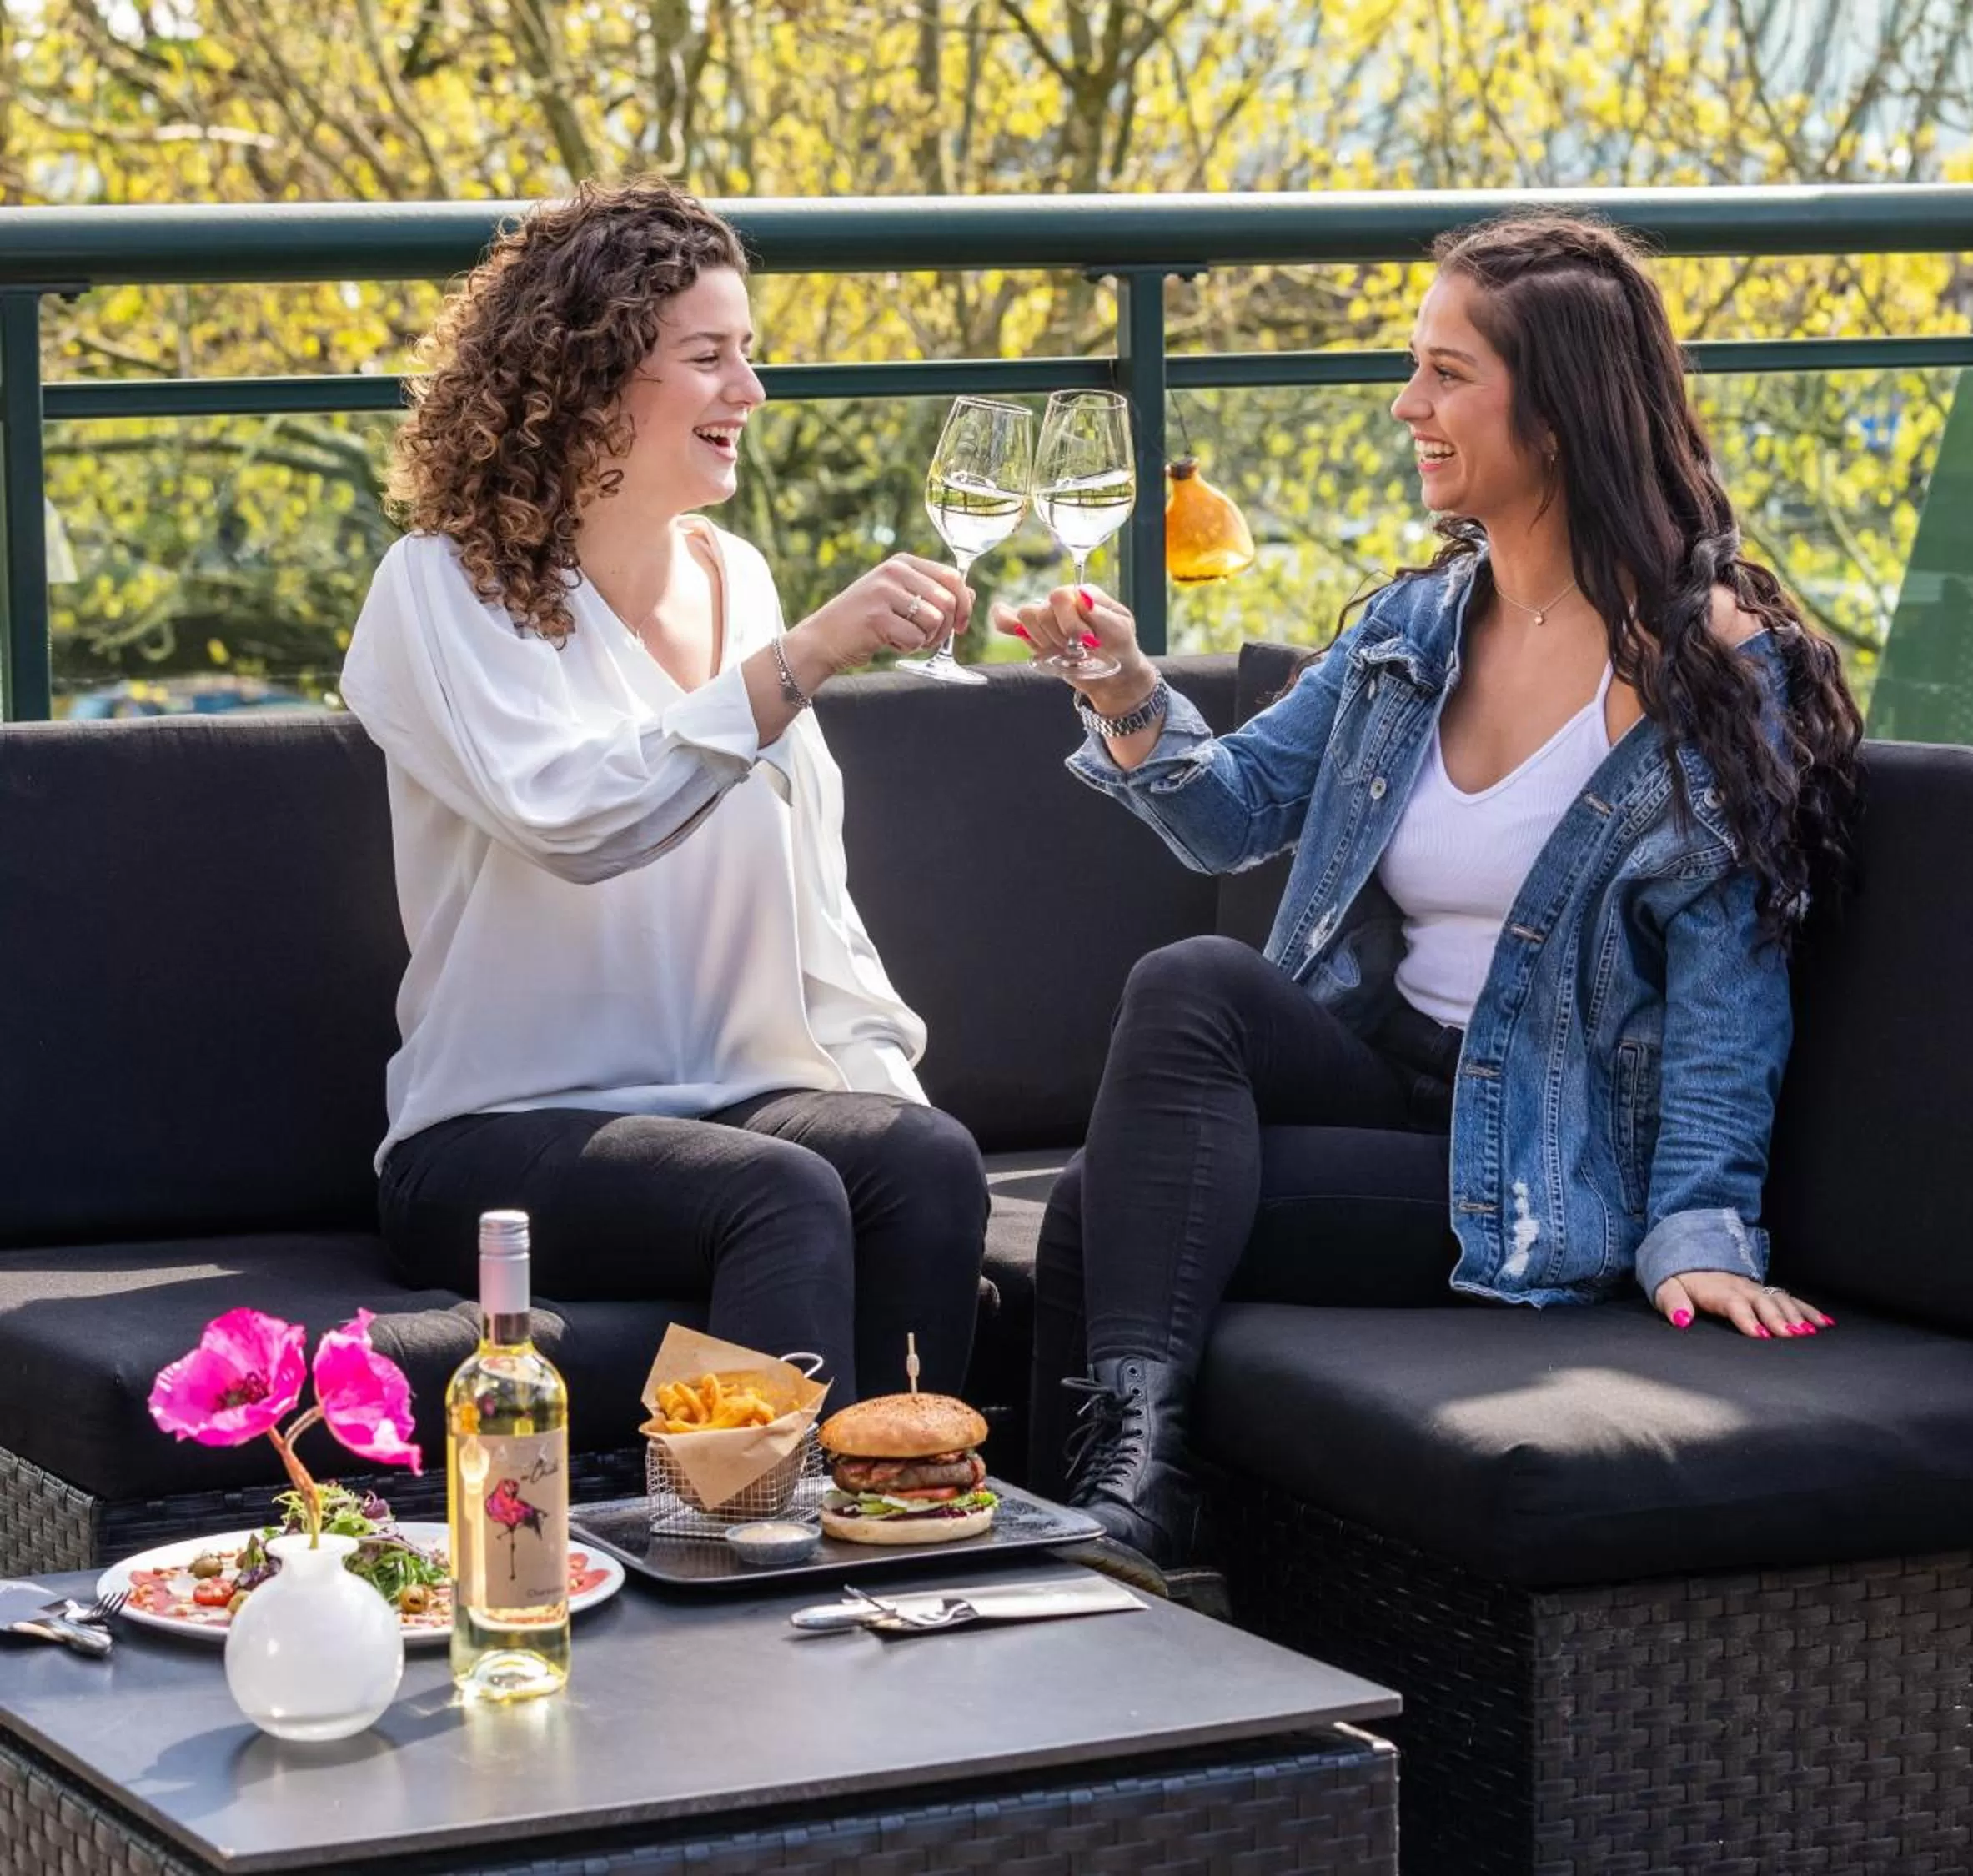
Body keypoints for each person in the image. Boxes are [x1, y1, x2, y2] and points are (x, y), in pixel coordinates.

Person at [1000, 209, 1866, 1571]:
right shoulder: (1421, 627)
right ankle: (1123, 1539)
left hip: (1537, 1150)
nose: (1409, 404)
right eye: (1417, 366)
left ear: (1564, 411)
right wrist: (1121, 687)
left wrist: (1704, 1227)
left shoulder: (1714, 669)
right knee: (1193, 985)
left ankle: (1109, 1549)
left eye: (1449, 373)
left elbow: (1731, 979)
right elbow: (1230, 814)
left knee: (1098, 1207)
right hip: (1381, 1080)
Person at [342, 178, 989, 1407]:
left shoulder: (738, 577)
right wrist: (802, 659)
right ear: (588, 379)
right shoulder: (437, 588)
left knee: (928, 1162)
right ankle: (752, 1553)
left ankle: (904, 1543)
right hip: (489, 1140)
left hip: (746, 1103)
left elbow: (819, 908)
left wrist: (890, 1101)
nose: (751, 392)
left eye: (748, 354)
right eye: (710, 358)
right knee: (779, 1191)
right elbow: (575, 818)